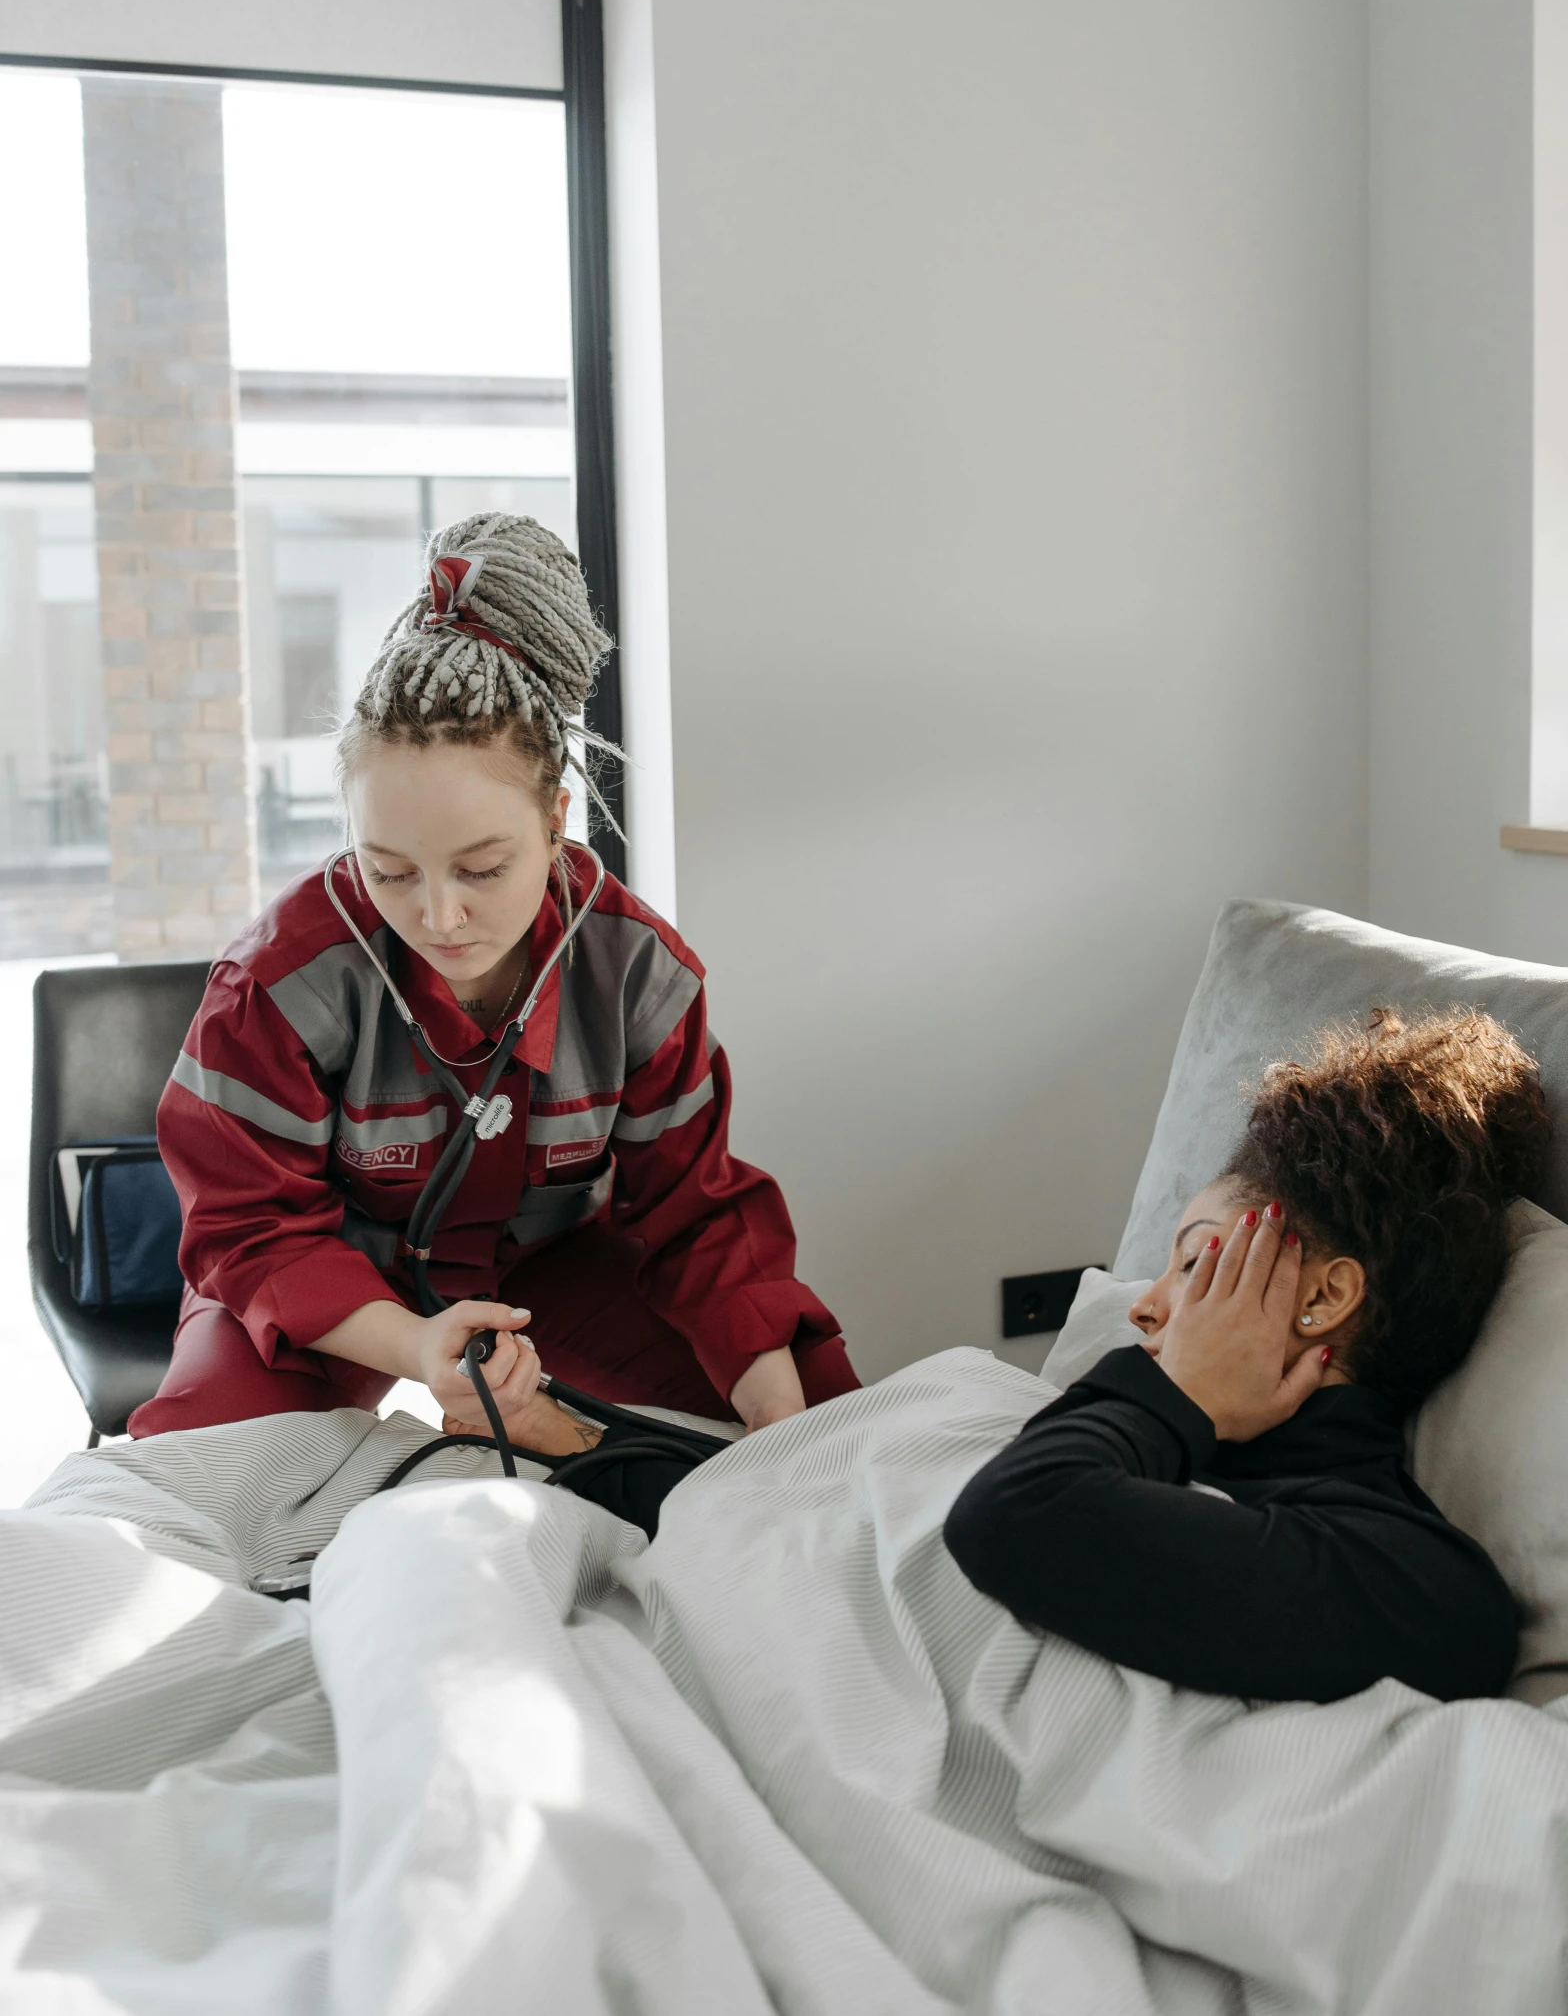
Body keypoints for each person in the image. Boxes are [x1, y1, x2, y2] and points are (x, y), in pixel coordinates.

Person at [131, 514, 858, 1452]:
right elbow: (252, 1229)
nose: (438, 917)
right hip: (327, 1279)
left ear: (557, 821)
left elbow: (697, 1212)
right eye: (388, 870)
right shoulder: (275, 988)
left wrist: (781, 1426)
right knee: (202, 1470)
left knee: (817, 1413)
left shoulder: (636, 971)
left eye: (481, 868)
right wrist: (418, 1346)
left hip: (551, 1271)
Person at [944, 1008, 1540, 1703]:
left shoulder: (1415, 1578)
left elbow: (1015, 1515)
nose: (1142, 1305)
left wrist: (1182, 1397)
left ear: (1324, 1294)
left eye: (1194, 1261)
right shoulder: (1110, 1438)